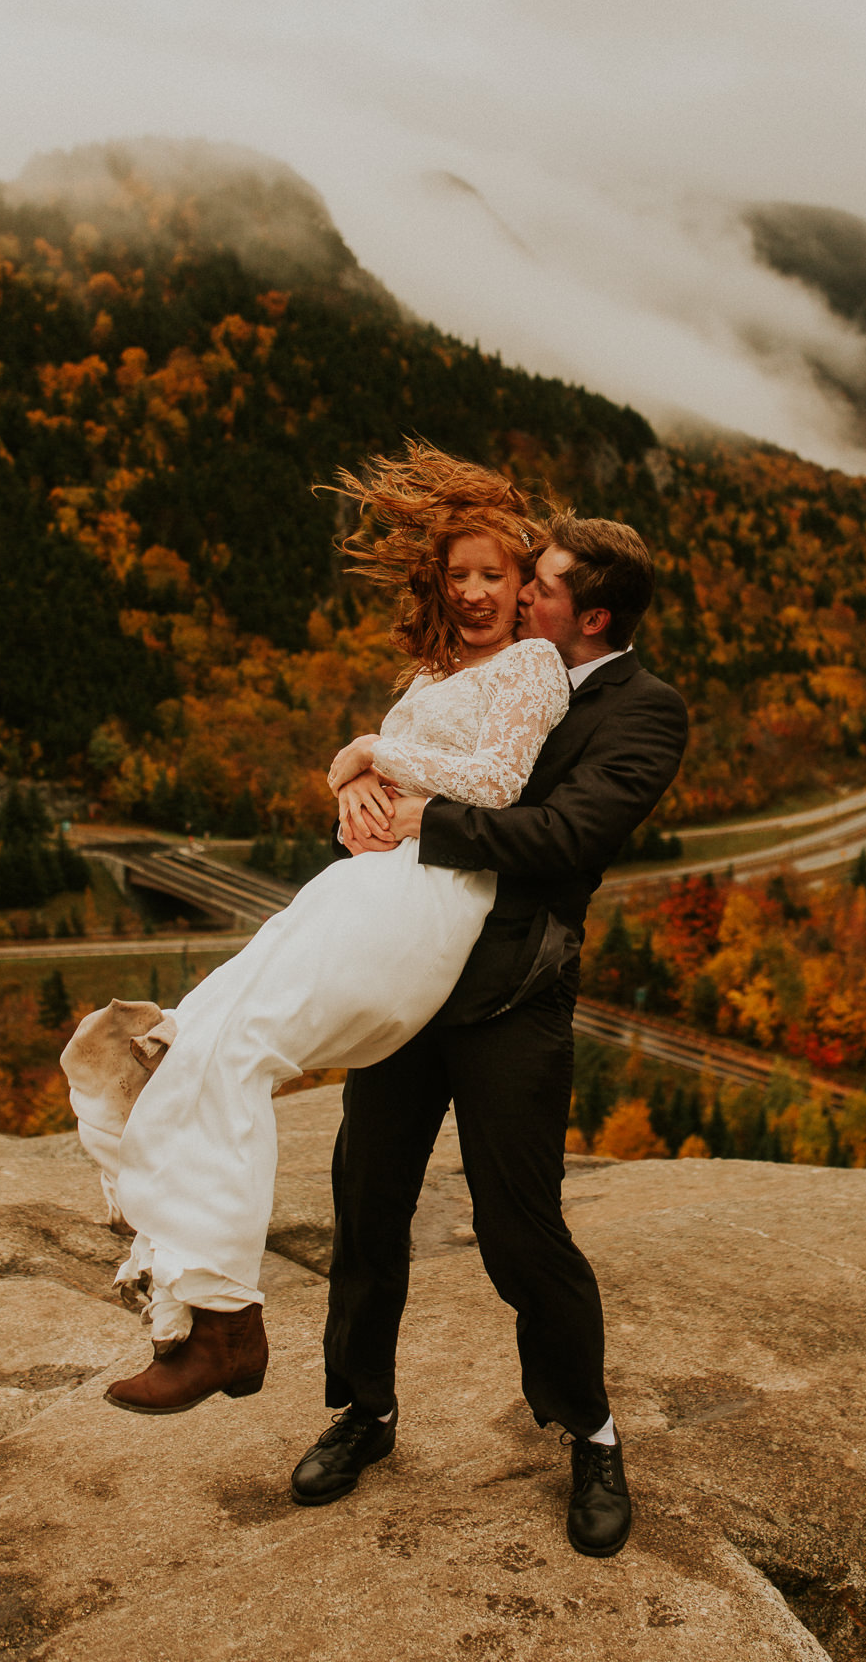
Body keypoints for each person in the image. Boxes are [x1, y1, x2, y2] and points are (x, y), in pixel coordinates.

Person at [76, 445, 575, 1415]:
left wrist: (367, 748)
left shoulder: (531, 666)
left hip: (430, 898)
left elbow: (498, 783)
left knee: (234, 1050)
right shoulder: (428, 672)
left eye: (494, 575)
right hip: (365, 880)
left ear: (523, 588)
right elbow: (391, 786)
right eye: (459, 574)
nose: (475, 592)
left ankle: (228, 1326)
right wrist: (352, 789)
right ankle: (183, 1312)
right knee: (161, 1046)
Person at [290, 513, 688, 1559]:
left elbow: (569, 835)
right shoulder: (502, 669)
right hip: (406, 974)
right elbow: (414, 756)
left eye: (543, 587)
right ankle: (363, 1410)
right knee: (366, 1195)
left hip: (514, 986)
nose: (519, 599)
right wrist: (366, 793)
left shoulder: (645, 709)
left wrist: (426, 813)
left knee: (520, 1227)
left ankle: (590, 1430)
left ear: (591, 612)